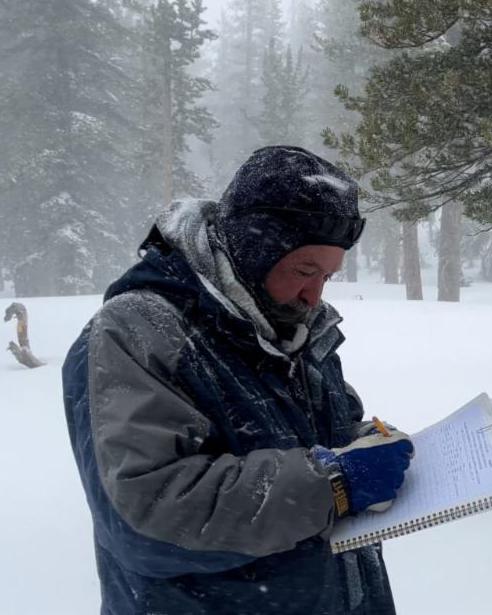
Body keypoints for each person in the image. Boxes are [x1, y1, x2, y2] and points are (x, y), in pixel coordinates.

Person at [62, 146, 414, 615]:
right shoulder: (139, 331)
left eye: (328, 276)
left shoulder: (295, 325)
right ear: (255, 249)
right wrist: (333, 483)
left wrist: (360, 444)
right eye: (304, 270)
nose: (315, 295)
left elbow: (318, 435)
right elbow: (147, 514)